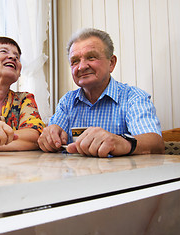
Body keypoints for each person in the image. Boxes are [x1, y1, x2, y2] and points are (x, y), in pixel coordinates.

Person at [38, 28, 164, 157]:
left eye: (91, 57)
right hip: (74, 175)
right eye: (75, 61)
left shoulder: (133, 97)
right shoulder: (67, 101)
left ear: (112, 63)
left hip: (121, 175)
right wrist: (49, 137)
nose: (81, 67)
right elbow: (52, 137)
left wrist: (120, 142)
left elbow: (155, 144)